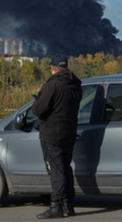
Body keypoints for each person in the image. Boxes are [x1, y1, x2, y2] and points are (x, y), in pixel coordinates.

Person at [31, 54, 82, 219]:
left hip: (52, 134)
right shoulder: (76, 85)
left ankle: (56, 206)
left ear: (53, 69)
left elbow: (38, 110)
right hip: (69, 132)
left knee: (56, 171)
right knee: (65, 168)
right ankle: (69, 205)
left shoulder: (52, 85)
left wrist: (37, 100)